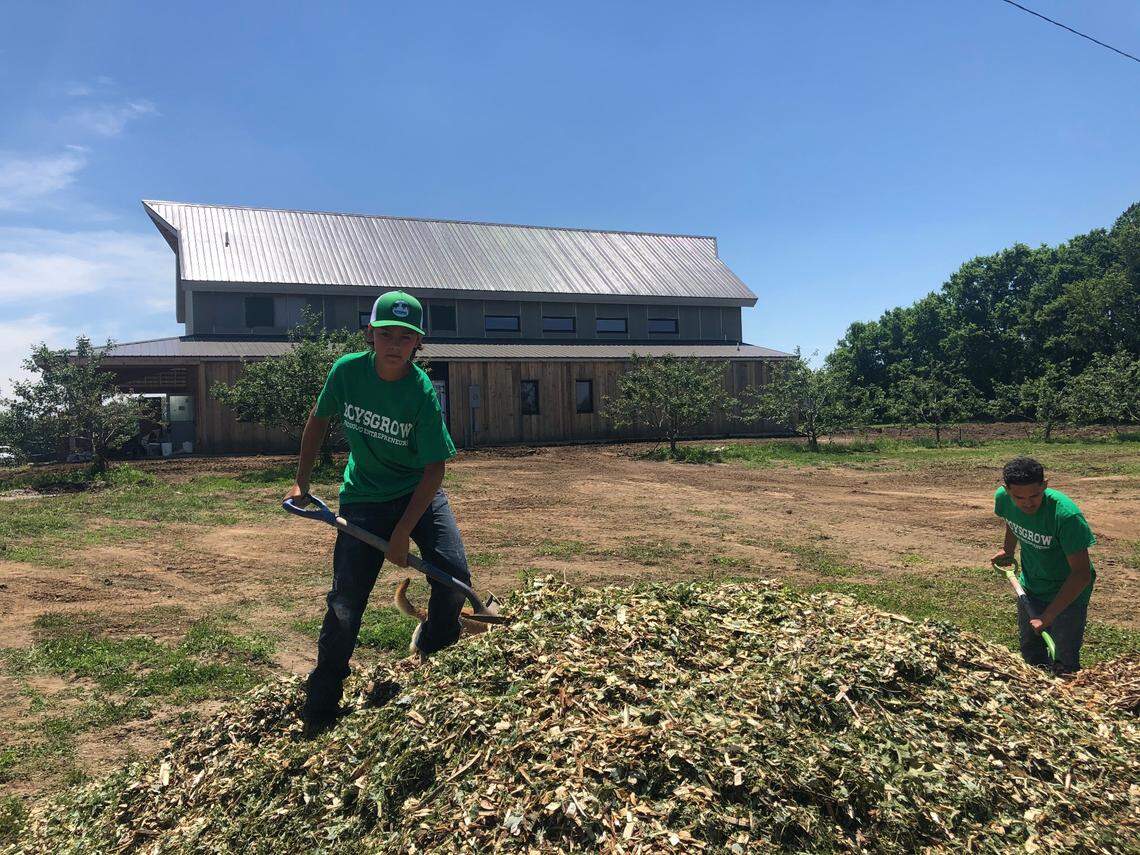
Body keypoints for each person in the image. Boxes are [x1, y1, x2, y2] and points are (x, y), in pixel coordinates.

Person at [284, 290, 470, 736]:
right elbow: (318, 420)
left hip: (416, 492)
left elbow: (435, 468)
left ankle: (433, 650)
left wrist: (403, 530)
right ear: (370, 334)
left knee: (454, 578)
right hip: (364, 497)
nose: (394, 344)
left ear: (417, 344)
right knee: (346, 602)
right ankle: (323, 699)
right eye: (386, 334)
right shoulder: (347, 372)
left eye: (405, 337)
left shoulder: (421, 392)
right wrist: (302, 483)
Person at [991, 456, 1096, 675]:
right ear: (1007, 490)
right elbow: (1013, 521)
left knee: (1063, 661)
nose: (1027, 503)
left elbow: (1081, 574)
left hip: (1068, 594)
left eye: (1035, 495)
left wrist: (1048, 616)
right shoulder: (1003, 499)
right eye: (1019, 497)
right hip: (1030, 586)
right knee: (1031, 653)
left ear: (1045, 486)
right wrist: (1008, 549)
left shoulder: (1066, 517)